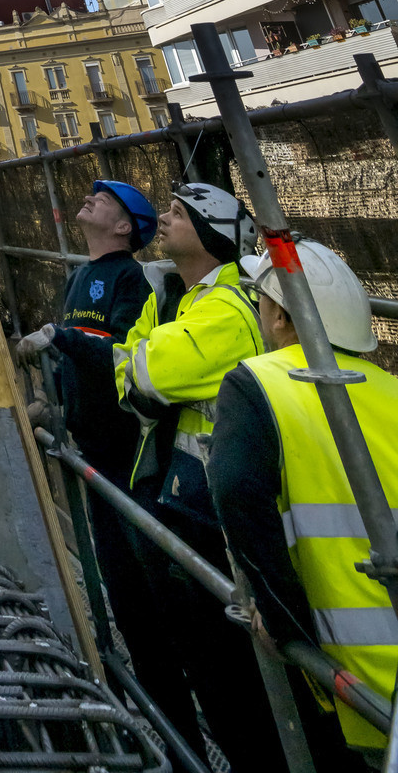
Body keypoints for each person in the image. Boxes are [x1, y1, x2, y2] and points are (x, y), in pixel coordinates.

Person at [115, 180, 288, 772]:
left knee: (234, 690)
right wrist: (142, 360)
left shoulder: (228, 304)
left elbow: (145, 372)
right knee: (213, 677)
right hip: (185, 504)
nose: (165, 220)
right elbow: (130, 371)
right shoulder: (181, 299)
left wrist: (141, 364)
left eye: (178, 214)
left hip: (215, 520)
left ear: (212, 232)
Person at [15, 180, 193, 742]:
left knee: (147, 599)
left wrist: (61, 340)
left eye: (105, 198)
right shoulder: (77, 277)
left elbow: (117, 352)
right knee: (119, 590)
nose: (89, 197)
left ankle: (180, 730)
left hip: (126, 457)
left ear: (125, 228)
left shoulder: (129, 279)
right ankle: (156, 719)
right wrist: (53, 401)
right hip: (91, 452)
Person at [212, 240, 398, 768]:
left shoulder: (259, 384)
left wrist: (281, 618)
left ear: (277, 316)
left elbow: (236, 494)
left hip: (353, 683)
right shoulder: (394, 393)